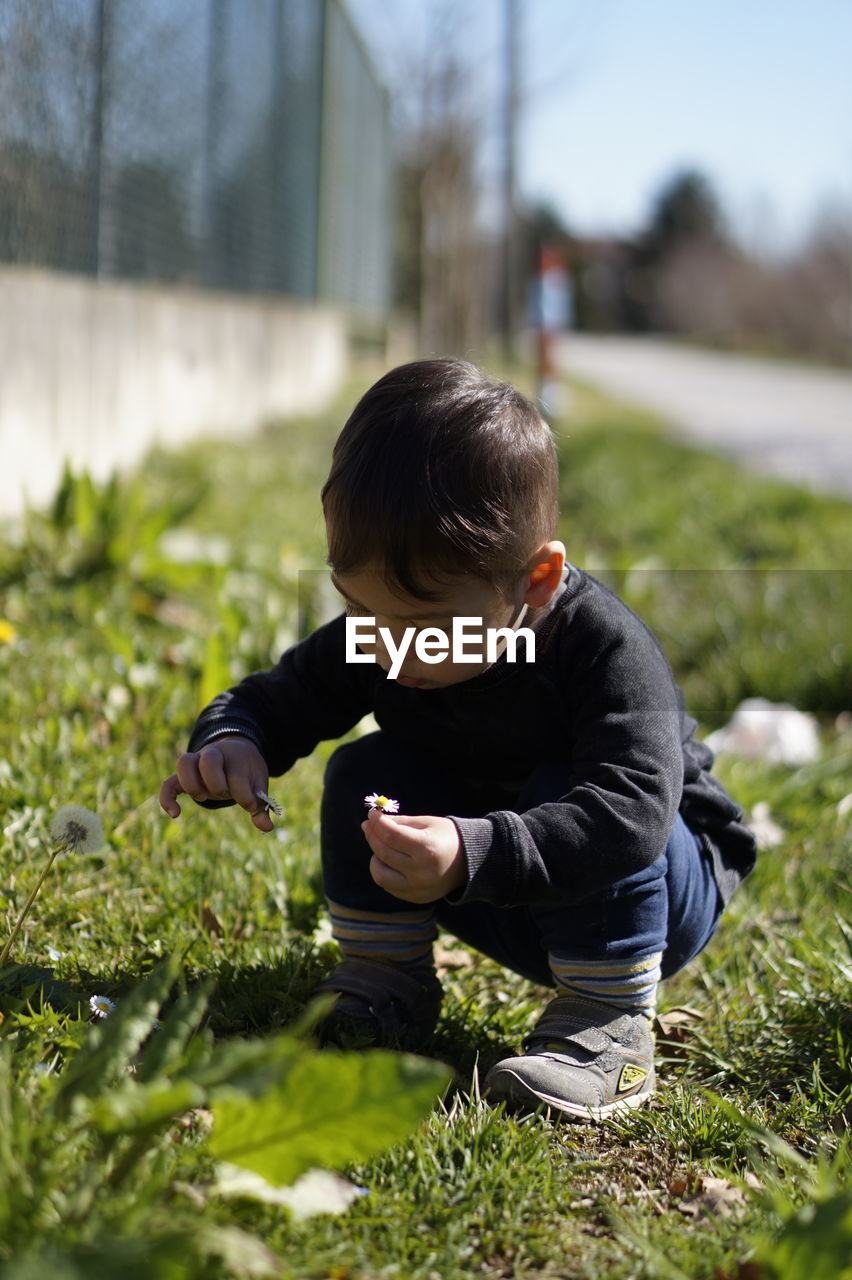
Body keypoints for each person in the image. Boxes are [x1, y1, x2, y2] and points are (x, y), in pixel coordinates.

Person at [159, 358, 757, 1122]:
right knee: (365, 770)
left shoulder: (602, 650)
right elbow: (281, 697)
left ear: (537, 582)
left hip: (652, 888)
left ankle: (606, 1026)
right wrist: (233, 742)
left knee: (567, 789)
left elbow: (633, 814)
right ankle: (385, 981)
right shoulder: (384, 634)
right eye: (358, 609)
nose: (386, 648)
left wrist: (473, 850)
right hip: (499, 876)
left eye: (422, 626)